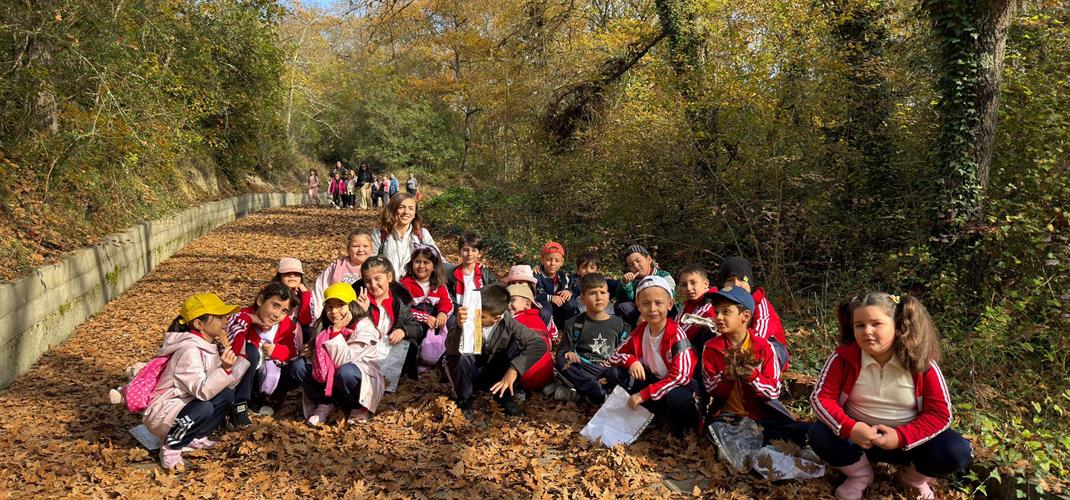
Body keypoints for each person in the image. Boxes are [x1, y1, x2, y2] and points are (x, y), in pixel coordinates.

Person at [809, 292, 972, 500]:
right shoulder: (843, 358)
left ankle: (912, 479)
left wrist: (901, 437)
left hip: (909, 445)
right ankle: (859, 475)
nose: (867, 331)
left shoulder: (922, 364)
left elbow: (940, 415)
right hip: (858, 440)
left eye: (876, 324)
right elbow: (821, 399)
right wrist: (851, 428)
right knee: (819, 433)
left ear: (897, 326)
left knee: (956, 450)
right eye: (860, 325)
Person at [145, 293, 248, 470]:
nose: (225, 321)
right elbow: (202, 391)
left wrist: (235, 364)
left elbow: (220, 385)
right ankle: (171, 446)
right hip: (165, 411)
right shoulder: (189, 350)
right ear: (199, 324)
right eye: (220, 317)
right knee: (204, 407)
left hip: (185, 404)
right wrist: (224, 369)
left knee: (226, 394)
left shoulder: (208, 345)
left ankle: (194, 436)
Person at [702, 287, 806, 445]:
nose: (719, 317)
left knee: (802, 431)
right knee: (715, 431)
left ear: (745, 316)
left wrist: (753, 377)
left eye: (726, 312)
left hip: (760, 418)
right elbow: (710, 387)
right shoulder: (711, 347)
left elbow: (773, 391)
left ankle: (752, 443)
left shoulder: (763, 347)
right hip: (727, 418)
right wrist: (726, 378)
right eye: (716, 312)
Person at [605, 275, 698, 437]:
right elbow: (614, 356)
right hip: (653, 382)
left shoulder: (676, 334)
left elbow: (681, 377)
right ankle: (647, 414)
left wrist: (644, 394)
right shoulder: (641, 331)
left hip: (676, 387)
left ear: (670, 304)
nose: (652, 309)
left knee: (677, 398)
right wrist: (631, 361)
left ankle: (680, 426)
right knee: (614, 373)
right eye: (646, 304)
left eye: (659, 303)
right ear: (638, 306)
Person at [444, 284, 548, 418]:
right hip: (470, 370)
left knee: (518, 344)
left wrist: (514, 369)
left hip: (493, 370)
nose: (476, 319)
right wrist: (459, 327)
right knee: (459, 356)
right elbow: (451, 350)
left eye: (482, 317)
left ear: (497, 318)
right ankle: (464, 399)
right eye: (477, 313)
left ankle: (503, 395)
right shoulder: (466, 315)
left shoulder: (507, 321)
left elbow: (538, 344)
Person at [299, 282, 385, 426]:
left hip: (357, 380)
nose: (334, 311)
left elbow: (343, 361)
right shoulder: (324, 326)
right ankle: (325, 403)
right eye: (330, 306)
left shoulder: (364, 326)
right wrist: (309, 352)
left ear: (351, 305)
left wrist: (336, 333)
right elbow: (320, 362)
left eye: (340, 305)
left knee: (346, 371)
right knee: (299, 366)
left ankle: (358, 407)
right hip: (330, 383)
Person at [226, 283, 302, 424]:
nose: (277, 314)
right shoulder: (242, 316)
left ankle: (268, 398)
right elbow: (235, 347)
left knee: (297, 366)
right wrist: (250, 319)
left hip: (270, 372)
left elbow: (292, 352)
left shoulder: (286, 326)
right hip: (243, 375)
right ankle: (240, 405)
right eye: (275, 305)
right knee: (251, 352)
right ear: (260, 300)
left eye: (284, 311)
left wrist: (277, 350)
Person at [555, 273, 628, 405]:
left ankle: (584, 393)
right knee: (561, 362)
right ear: (582, 299)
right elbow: (562, 350)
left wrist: (615, 362)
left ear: (609, 296)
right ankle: (596, 391)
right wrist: (568, 353)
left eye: (603, 292)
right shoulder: (574, 323)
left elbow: (625, 351)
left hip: (607, 369)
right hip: (584, 368)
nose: (599, 297)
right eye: (593, 293)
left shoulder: (620, 324)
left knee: (617, 372)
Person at [353, 256, 424, 382]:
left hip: (390, 354)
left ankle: (403, 380)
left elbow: (417, 328)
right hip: (363, 353)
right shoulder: (357, 300)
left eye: (377, 279)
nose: (373, 285)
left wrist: (403, 331)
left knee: (411, 345)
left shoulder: (400, 301)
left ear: (389, 277)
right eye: (368, 281)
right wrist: (360, 312)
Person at [715, 257, 789, 370]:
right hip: (735, 346)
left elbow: (761, 336)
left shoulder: (760, 303)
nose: (736, 284)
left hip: (768, 346)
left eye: (741, 280)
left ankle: (761, 377)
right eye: (730, 280)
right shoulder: (721, 305)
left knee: (769, 351)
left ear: (749, 283)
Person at [400, 245, 454, 367]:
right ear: (412, 263)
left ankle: (443, 359)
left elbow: (447, 302)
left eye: (426, 262)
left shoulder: (439, 284)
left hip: (434, 320)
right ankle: (414, 363)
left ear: (434, 266)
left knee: (452, 325)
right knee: (413, 337)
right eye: (417, 262)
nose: (421, 266)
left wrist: (443, 313)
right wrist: (424, 317)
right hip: (414, 321)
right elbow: (403, 309)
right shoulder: (405, 284)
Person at [371, 192, 443, 278]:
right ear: (393, 210)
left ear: (414, 214)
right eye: (401, 207)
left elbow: (439, 260)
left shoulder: (422, 234)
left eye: (411, 208)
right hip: (388, 288)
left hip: (415, 287)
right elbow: (370, 263)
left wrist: (457, 270)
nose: (406, 212)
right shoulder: (379, 234)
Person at [311, 229, 374, 319]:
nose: (361, 250)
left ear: (372, 248)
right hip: (336, 315)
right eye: (355, 246)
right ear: (348, 248)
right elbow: (320, 289)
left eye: (365, 246)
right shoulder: (337, 266)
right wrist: (318, 317)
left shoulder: (375, 267)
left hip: (364, 315)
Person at [505, 284, 554, 392]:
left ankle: (516, 387)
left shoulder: (514, 320)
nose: (508, 305)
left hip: (522, 376)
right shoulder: (540, 321)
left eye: (512, 300)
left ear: (527, 304)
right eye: (506, 301)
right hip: (546, 376)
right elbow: (549, 344)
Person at [614, 245, 676, 328]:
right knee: (622, 306)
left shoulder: (664, 276)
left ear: (649, 259)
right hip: (641, 311)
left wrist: (645, 315)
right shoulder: (633, 279)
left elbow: (669, 297)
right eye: (631, 265)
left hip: (662, 311)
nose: (636, 266)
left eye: (638, 261)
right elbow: (620, 299)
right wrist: (625, 284)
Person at [533, 241, 579, 330]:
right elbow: (534, 296)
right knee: (545, 310)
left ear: (561, 262)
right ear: (542, 260)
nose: (552, 263)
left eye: (557, 260)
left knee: (571, 303)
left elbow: (571, 287)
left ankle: (567, 331)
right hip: (545, 308)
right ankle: (545, 334)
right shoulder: (536, 276)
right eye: (548, 259)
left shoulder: (562, 276)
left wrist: (568, 291)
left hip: (559, 312)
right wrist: (550, 297)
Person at [676, 264, 718, 360]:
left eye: (693, 282)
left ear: (706, 284)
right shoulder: (689, 303)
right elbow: (676, 323)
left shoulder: (712, 304)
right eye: (684, 285)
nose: (689, 288)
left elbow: (684, 333)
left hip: (701, 356)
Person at [445, 232, 497, 307]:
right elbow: (449, 297)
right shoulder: (452, 275)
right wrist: (457, 310)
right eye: (466, 250)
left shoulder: (486, 273)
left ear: (479, 253)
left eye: (474, 250)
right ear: (460, 252)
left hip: (481, 313)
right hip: (460, 314)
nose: (469, 254)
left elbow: (495, 292)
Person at [271, 257, 315, 342]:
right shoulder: (272, 293)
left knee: (307, 330)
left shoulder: (304, 294)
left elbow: (305, 321)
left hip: (297, 332)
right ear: (280, 276)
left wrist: (305, 294)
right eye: (287, 273)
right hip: (276, 328)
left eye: (296, 273)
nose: (292, 276)